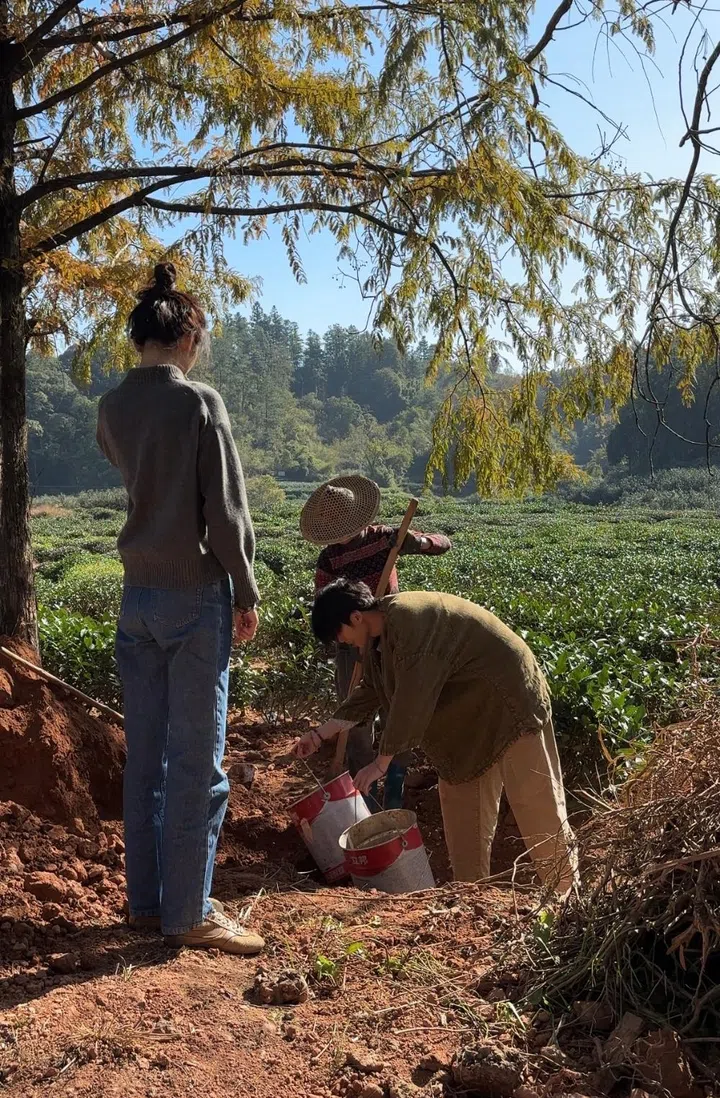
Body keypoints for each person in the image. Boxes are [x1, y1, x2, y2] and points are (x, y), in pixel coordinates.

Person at [96, 261, 264, 955]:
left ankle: (147, 903)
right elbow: (223, 516)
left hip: (137, 596)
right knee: (198, 760)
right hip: (196, 598)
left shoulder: (112, 408)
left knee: (148, 759)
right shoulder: (200, 403)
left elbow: (130, 466)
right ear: (189, 335)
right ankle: (189, 914)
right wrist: (246, 590)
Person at [293, 580, 578, 893]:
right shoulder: (378, 642)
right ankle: (471, 900)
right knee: (462, 817)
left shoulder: (408, 620)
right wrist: (319, 736)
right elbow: (368, 694)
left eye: (340, 637)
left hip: (506, 706)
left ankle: (568, 897)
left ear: (355, 618)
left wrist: (381, 763)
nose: (344, 644)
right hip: (467, 728)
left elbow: (411, 700)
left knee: (537, 807)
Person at [299, 476, 452, 809]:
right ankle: (363, 798)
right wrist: (344, 643)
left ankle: (394, 783)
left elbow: (443, 544)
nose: (341, 537)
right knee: (355, 718)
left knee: (396, 712)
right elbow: (324, 602)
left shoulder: (385, 539)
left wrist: (418, 542)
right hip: (349, 645)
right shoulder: (329, 559)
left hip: (388, 639)